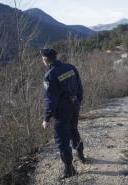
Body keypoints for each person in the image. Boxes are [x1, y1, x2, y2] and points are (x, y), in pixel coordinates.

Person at [40, 48, 86, 178]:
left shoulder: (50, 75)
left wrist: (46, 118)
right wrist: (78, 102)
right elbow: (79, 86)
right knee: (73, 130)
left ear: (45, 59)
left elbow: (50, 99)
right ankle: (81, 155)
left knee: (62, 140)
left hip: (62, 111)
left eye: (42, 59)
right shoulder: (70, 67)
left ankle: (69, 169)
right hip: (74, 105)